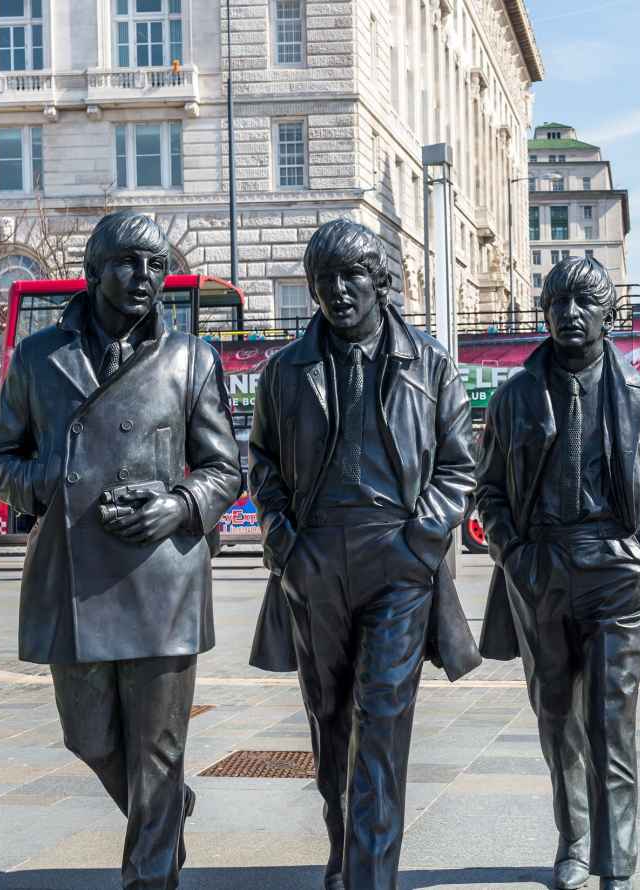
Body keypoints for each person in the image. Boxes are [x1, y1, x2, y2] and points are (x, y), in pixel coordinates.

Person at [0, 210, 242, 890]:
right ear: (93, 271)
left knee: (158, 749)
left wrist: (178, 505)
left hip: (163, 574)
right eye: (128, 262)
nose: (144, 277)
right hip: (74, 574)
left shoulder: (192, 359)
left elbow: (224, 468)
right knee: (89, 737)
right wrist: (59, 487)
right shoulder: (38, 359)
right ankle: (168, 813)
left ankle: (149, 875)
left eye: (156, 264)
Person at [246, 219, 481, 890]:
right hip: (315, 560)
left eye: (352, 276)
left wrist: (420, 542)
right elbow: (260, 462)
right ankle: (346, 844)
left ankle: (370, 876)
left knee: (382, 721)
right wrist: (284, 542)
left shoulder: (430, 364)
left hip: (397, 563)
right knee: (331, 723)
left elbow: (459, 467)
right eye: (325, 280)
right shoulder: (285, 370)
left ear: (379, 280)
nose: (339, 291)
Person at [476, 258, 640, 890]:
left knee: (609, 719)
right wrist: (515, 554)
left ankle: (615, 860)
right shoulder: (516, 397)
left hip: (617, 574)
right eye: (559, 304)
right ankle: (573, 841)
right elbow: (488, 491)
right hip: (543, 568)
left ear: (606, 316)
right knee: (555, 716)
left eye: (584, 304)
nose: (570, 315)